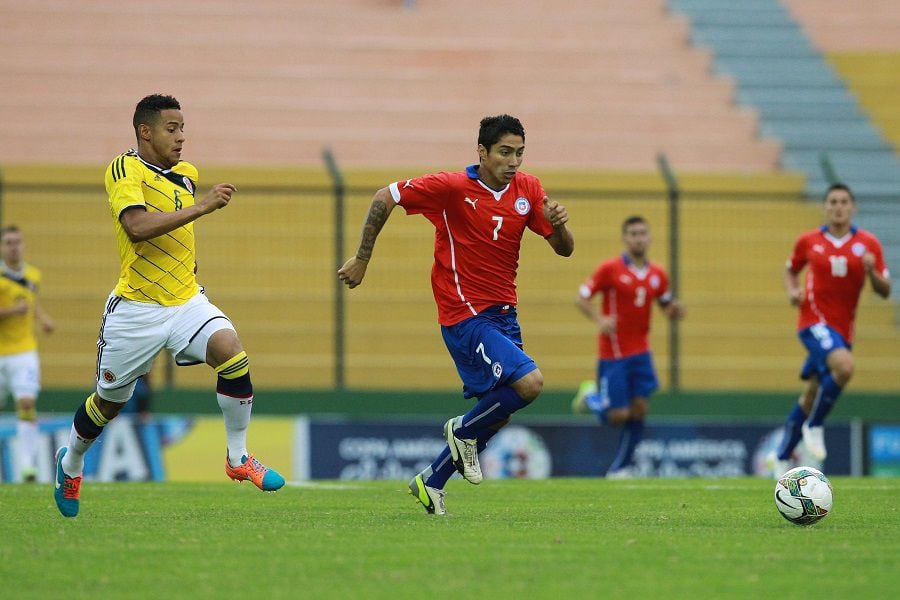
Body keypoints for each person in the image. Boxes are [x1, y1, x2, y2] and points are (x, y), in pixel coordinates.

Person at [53, 94, 284, 517]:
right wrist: (203, 207)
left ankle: (238, 458)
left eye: (183, 128)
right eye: (172, 128)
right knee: (109, 403)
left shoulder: (186, 175)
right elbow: (137, 227)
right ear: (146, 131)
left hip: (185, 301)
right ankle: (70, 463)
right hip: (136, 309)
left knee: (232, 353)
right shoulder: (124, 169)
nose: (182, 137)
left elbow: (179, 230)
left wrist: (190, 260)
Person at [338, 114, 574, 515]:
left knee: (497, 414)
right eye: (504, 152)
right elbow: (385, 196)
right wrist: (362, 258)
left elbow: (564, 249)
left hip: (504, 314)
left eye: (519, 153)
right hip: (464, 313)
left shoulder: (528, 189)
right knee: (530, 384)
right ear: (481, 152)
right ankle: (459, 430)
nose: (513, 161)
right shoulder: (451, 188)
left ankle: (431, 481)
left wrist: (559, 226)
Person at [770, 183, 891, 476]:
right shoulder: (809, 241)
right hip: (812, 322)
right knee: (845, 367)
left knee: (812, 392)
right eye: (833, 201)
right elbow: (790, 269)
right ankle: (815, 424)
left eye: (843, 201)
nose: (838, 206)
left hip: (842, 331)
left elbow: (885, 290)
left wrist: (871, 272)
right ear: (825, 207)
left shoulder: (868, 244)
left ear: (853, 207)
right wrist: (792, 291)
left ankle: (782, 456)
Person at [570, 216, 684, 478]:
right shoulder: (610, 269)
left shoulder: (658, 274)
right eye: (633, 234)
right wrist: (600, 319)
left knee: (640, 410)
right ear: (624, 238)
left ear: (650, 237)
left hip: (641, 350)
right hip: (615, 353)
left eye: (643, 233)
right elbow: (582, 297)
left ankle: (620, 469)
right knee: (618, 416)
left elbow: (665, 303)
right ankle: (590, 397)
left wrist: (674, 309)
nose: (639, 238)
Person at [0, 225, 55, 482]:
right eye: (9, 242)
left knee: (27, 404)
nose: (14, 247)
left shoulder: (33, 275)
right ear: (1, 247)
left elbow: (31, 304)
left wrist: (43, 319)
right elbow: (19, 308)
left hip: (24, 350)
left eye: (18, 242)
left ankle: (28, 466)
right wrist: (12, 312)